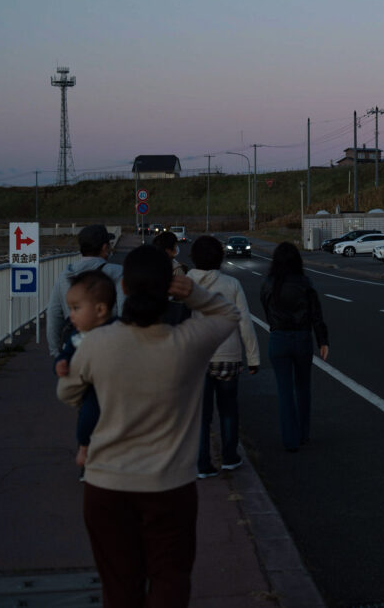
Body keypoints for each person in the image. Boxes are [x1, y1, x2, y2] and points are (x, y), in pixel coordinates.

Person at [56, 244, 240, 607]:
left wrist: (73, 381)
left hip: (106, 487)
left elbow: (69, 394)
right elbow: (229, 315)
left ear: (123, 288)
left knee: (119, 588)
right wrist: (196, 293)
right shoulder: (188, 341)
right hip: (169, 488)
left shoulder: (98, 343)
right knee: (170, 583)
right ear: (170, 288)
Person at [187, 235, 260, 478]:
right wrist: (253, 357)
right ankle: (229, 457)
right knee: (228, 409)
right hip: (227, 356)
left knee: (201, 414)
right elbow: (245, 323)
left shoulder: (185, 283)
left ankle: (202, 463)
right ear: (220, 258)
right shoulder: (232, 284)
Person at [260, 242, 329, 451]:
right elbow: (316, 314)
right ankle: (303, 434)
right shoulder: (305, 283)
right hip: (302, 338)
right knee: (302, 387)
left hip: (278, 338)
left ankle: (289, 439)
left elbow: (266, 310)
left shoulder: (269, 283)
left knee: (284, 391)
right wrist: (323, 341)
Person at [53, 270, 118, 477]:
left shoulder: (118, 331)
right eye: (71, 308)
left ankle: (94, 456)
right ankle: (85, 449)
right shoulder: (76, 336)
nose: (71, 314)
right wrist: (60, 363)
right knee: (88, 418)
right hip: (92, 391)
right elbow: (65, 354)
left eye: (76, 308)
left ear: (100, 309)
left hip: (117, 391)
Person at [46, 224, 125, 358]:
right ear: (105, 248)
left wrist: (56, 353)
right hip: (108, 346)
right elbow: (124, 309)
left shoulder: (65, 275)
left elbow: (54, 314)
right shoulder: (117, 272)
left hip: (74, 346)